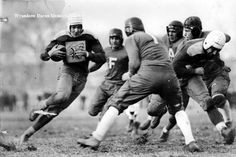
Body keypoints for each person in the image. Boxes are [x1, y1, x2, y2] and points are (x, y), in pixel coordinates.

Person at [77, 17, 200, 152]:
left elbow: (134, 63)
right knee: (178, 110)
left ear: (129, 29)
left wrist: (129, 73)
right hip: (170, 75)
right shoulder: (158, 39)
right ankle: (190, 141)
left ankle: (96, 138)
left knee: (116, 102)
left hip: (149, 73)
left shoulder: (132, 38)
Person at [18, 14, 106, 145]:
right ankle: (41, 105)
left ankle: (27, 134)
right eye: (73, 27)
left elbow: (102, 58)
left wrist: (88, 55)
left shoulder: (89, 37)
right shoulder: (61, 37)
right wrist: (49, 54)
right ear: (69, 27)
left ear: (82, 27)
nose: (76, 30)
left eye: (79, 27)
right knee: (61, 96)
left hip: (82, 76)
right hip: (68, 70)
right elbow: (43, 56)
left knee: (55, 111)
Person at [157, 17, 234, 144]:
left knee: (208, 102)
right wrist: (194, 71)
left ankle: (224, 129)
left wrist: (219, 36)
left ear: (197, 30)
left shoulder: (210, 37)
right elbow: (175, 68)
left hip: (198, 78)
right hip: (182, 78)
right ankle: (165, 129)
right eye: (185, 30)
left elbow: (226, 37)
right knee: (173, 111)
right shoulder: (185, 45)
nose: (185, 34)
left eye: (188, 30)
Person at [88, 28, 140, 135]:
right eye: (112, 38)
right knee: (92, 111)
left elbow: (135, 65)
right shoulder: (106, 50)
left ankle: (96, 134)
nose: (114, 41)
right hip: (105, 84)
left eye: (117, 38)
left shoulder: (127, 51)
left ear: (121, 39)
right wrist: (87, 70)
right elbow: (99, 63)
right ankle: (107, 109)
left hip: (119, 86)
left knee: (105, 114)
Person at [139, 20, 185, 130]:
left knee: (176, 114)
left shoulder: (184, 43)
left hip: (181, 80)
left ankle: (166, 130)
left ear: (179, 32)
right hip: (166, 78)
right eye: (169, 31)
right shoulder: (164, 39)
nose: (170, 34)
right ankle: (155, 115)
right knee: (153, 109)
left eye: (173, 32)